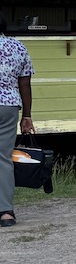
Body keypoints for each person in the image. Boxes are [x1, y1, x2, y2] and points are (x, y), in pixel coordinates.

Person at [1, 13, 37, 228]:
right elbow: (25, 84)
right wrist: (27, 115)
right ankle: (5, 212)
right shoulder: (17, 47)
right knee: (3, 158)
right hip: (7, 107)